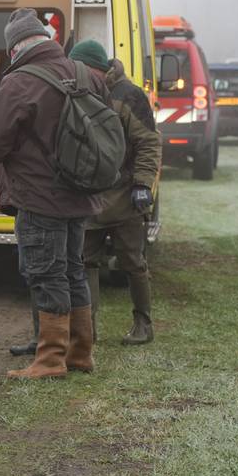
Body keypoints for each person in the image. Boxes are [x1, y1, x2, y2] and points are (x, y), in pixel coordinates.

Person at [0, 7, 106, 379]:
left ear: (14, 48)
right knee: (72, 271)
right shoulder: (85, 74)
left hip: (39, 197)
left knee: (46, 274)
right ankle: (80, 353)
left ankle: (50, 360)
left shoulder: (19, 82)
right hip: (81, 193)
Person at [68, 40, 161, 345]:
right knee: (85, 262)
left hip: (125, 193)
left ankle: (143, 324)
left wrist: (143, 184)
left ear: (96, 67)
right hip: (90, 194)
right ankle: (87, 329)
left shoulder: (129, 95)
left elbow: (148, 141)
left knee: (132, 262)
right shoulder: (78, 90)